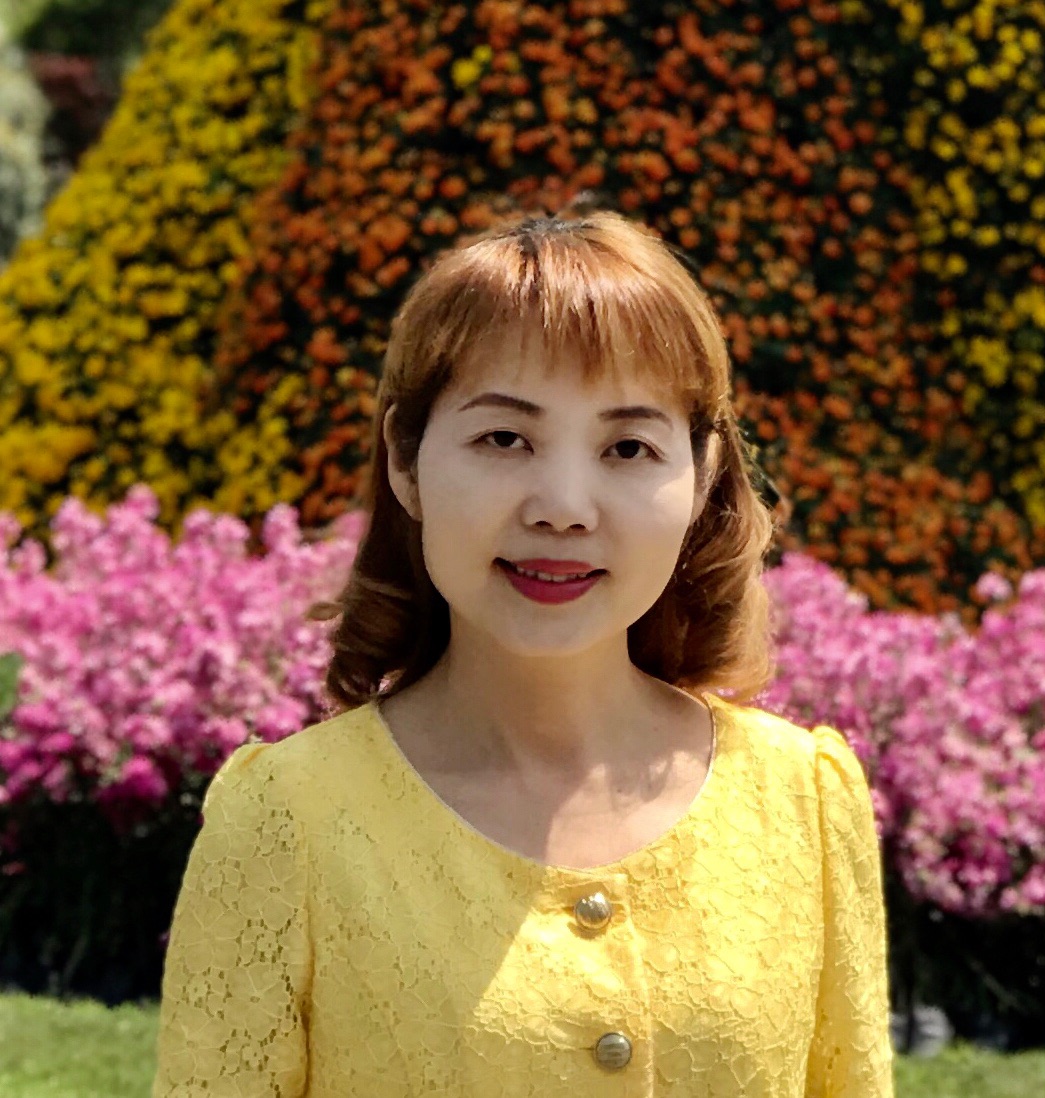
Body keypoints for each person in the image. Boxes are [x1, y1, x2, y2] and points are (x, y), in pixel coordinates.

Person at [151, 210, 894, 1096]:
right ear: (404, 461)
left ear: (700, 477)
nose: (563, 507)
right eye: (504, 439)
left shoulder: (803, 801)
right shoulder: (288, 821)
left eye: (628, 447)